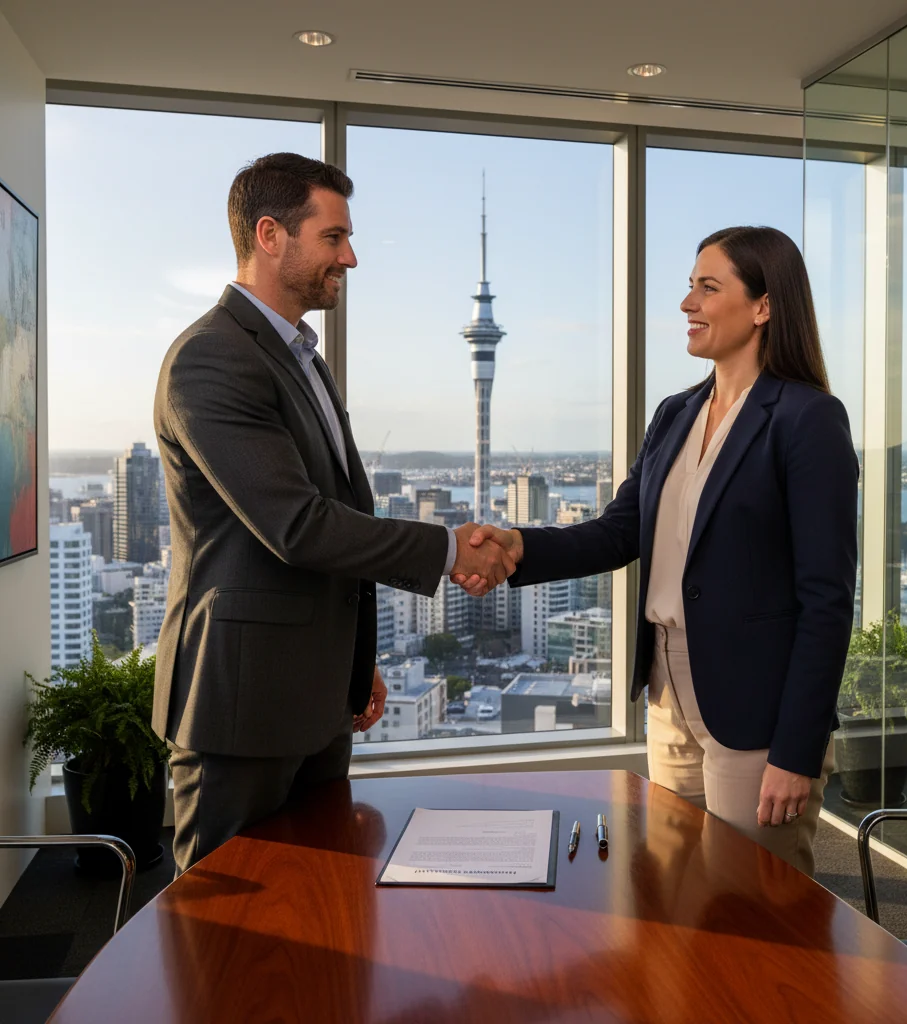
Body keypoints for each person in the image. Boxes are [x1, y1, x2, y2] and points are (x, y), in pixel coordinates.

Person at [456, 226, 858, 876]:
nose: (686, 304)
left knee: (751, 902)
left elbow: (828, 601)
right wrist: (517, 546)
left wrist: (796, 748)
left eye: (708, 287)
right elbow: (619, 530)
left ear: (762, 306)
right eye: (688, 287)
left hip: (756, 706)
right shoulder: (676, 413)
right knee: (672, 889)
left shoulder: (807, 419)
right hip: (669, 692)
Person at [153, 152, 514, 874]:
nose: (350, 256)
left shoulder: (304, 360)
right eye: (334, 237)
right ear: (269, 235)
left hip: (315, 701)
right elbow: (299, 525)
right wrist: (450, 549)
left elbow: (340, 509)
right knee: (228, 929)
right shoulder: (211, 357)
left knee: (318, 902)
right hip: (243, 706)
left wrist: (353, 664)